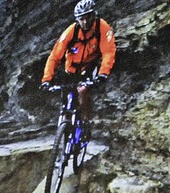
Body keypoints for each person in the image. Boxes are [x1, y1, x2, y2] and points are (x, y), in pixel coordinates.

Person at [40, 0, 116, 135]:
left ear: (94, 15)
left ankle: (85, 121)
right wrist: (46, 79)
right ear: (77, 19)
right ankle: (63, 140)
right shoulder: (71, 31)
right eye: (81, 19)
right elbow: (55, 57)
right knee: (66, 107)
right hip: (70, 69)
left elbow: (108, 52)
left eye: (88, 17)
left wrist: (103, 73)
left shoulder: (102, 27)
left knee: (82, 90)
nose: (85, 22)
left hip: (89, 66)